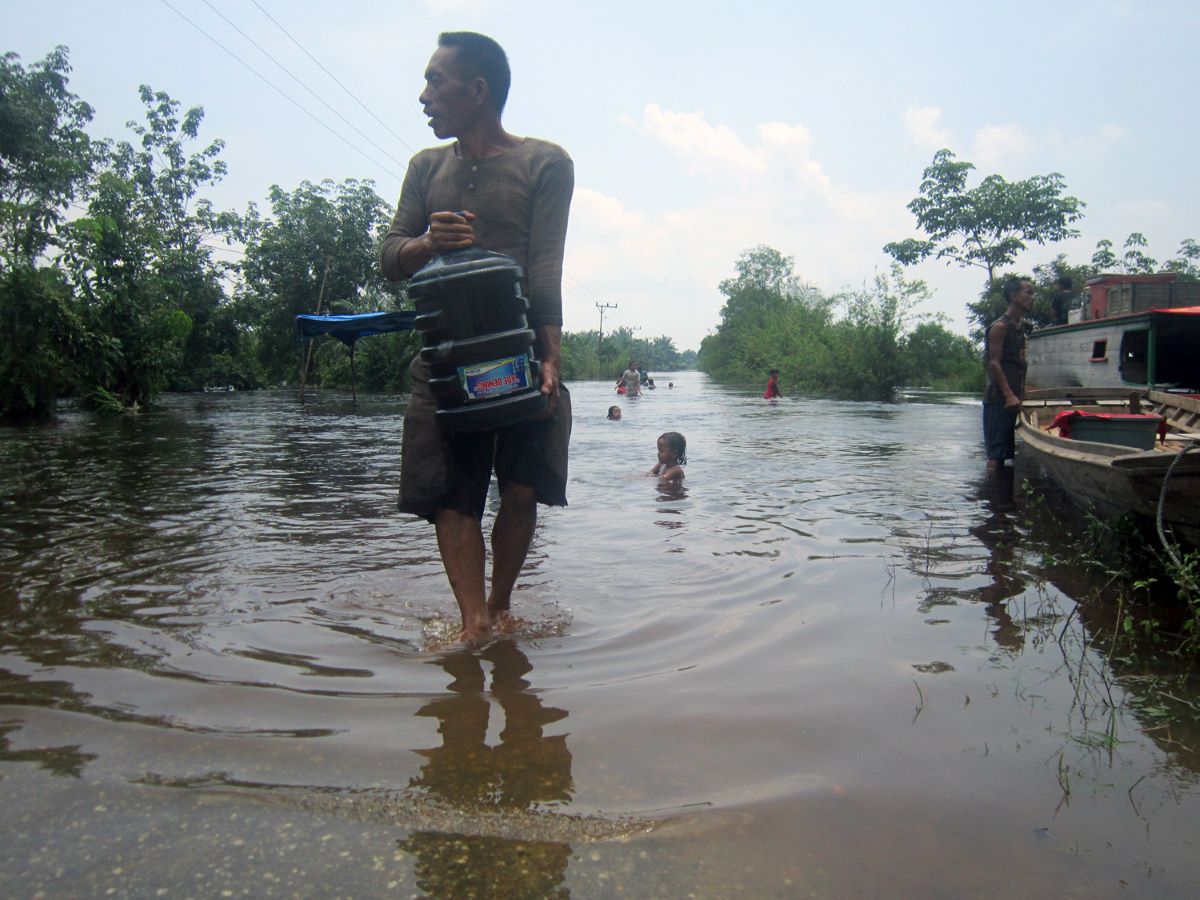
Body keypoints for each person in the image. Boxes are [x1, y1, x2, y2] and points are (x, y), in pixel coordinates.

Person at [380, 32, 574, 646]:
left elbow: (545, 267)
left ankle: (499, 604)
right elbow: (389, 257)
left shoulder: (544, 163)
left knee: (521, 490)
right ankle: (473, 624)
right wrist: (425, 245)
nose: (425, 95)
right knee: (450, 495)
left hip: (516, 355)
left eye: (436, 81)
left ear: (478, 90)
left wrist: (550, 361)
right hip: (444, 360)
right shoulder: (425, 168)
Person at [983, 278, 1034, 471]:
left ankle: (1002, 499)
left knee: (1007, 454)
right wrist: (1009, 395)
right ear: (1013, 296)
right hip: (999, 399)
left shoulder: (1019, 328)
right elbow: (994, 364)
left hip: (1012, 398)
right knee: (996, 456)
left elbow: (1019, 364)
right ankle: (992, 498)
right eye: (1028, 293)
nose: (1032, 298)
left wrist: (1021, 392)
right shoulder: (1000, 327)